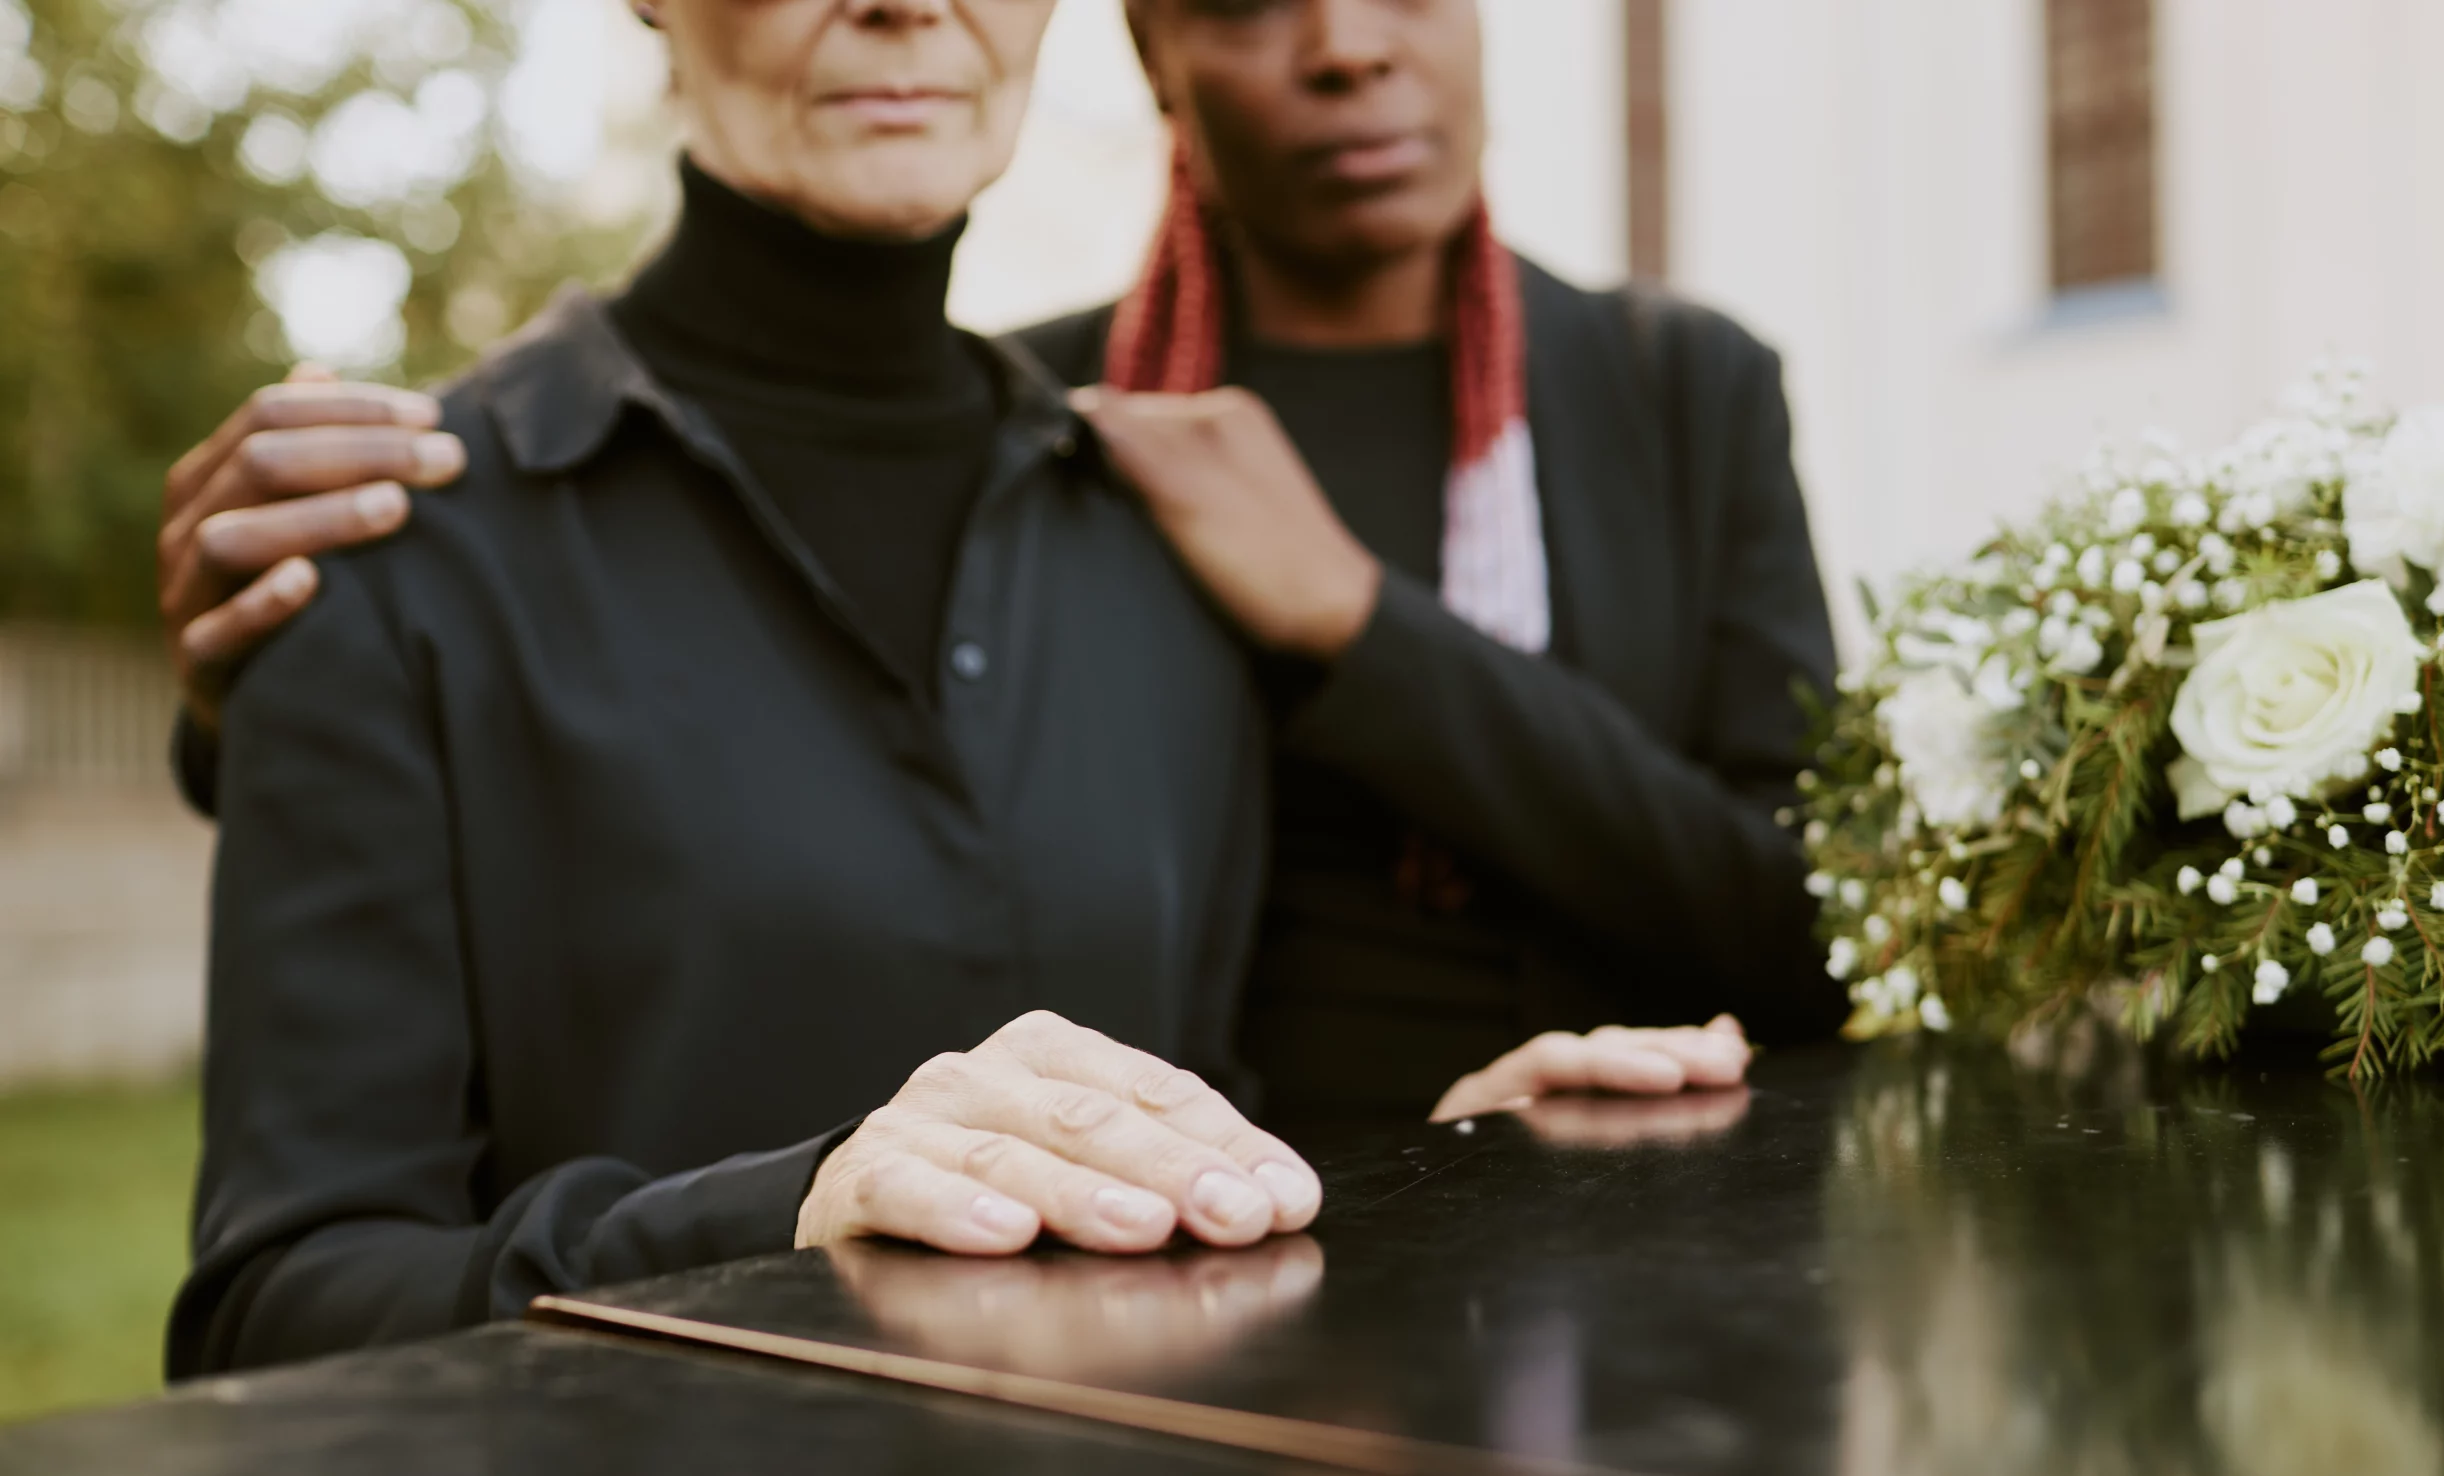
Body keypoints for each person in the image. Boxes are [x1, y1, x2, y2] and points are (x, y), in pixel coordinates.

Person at [161, 3, 1830, 1145]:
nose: (1347, 52)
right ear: (1151, 55)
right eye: (1249, 0)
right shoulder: (1090, 443)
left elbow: (1804, 925)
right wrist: (308, 691)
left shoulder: (1666, 395)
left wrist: (1356, 625)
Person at [169, 0, 1348, 1379]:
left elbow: (1236, 1154)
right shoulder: (384, 554)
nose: (904, 6)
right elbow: (273, 1317)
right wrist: (781, 1222)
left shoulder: (1163, 545)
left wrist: (1495, 1144)